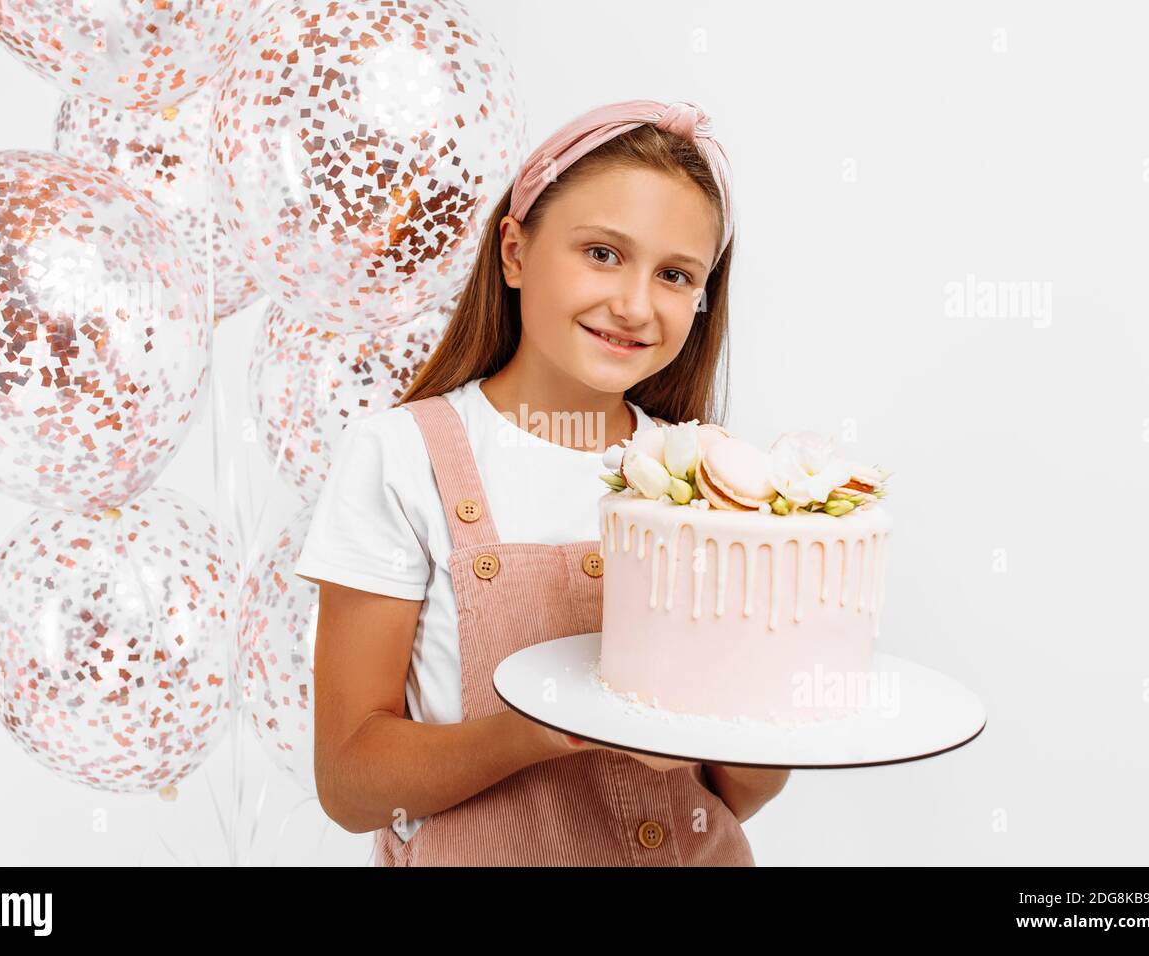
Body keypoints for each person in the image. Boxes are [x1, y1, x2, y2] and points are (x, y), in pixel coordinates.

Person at [295, 99, 790, 866]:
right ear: (516, 253)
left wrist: (767, 709)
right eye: (601, 253)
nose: (633, 304)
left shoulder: (710, 476)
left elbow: (735, 791)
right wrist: (546, 725)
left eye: (673, 274)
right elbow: (351, 785)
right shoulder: (403, 457)